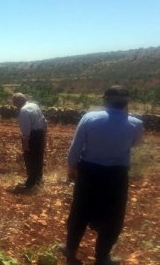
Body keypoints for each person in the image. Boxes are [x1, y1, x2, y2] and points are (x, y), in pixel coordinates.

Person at [62, 86, 143, 265]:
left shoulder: (90, 118)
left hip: (89, 172)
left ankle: (70, 248)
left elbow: (75, 148)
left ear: (105, 100)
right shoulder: (135, 124)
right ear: (126, 103)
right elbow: (135, 144)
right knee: (113, 215)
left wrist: (71, 169)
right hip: (116, 175)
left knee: (80, 211)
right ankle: (103, 256)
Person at [12, 93, 47, 190]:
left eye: (14, 103)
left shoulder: (23, 111)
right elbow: (44, 121)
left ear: (18, 102)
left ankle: (31, 183)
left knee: (30, 158)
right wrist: (44, 135)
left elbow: (25, 130)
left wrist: (25, 143)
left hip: (32, 136)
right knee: (39, 157)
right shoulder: (34, 105)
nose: (15, 105)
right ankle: (38, 180)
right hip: (40, 133)